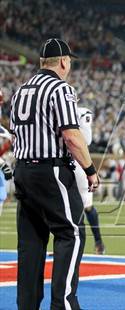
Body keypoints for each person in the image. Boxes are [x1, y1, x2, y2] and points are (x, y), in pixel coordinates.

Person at [10, 38, 99, 310]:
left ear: (40, 62)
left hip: (23, 170)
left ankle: (27, 306)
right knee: (71, 234)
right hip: (51, 170)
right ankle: (64, 305)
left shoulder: (20, 91)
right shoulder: (60, 89)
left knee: (31, 244)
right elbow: (72, 137)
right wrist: (90, 170)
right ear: (63, 61)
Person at [74, 107, 105, 254]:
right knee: (86, 206)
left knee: (66, 206)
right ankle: (98, 242)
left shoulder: (54, 110)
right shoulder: (81, 112)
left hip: (66, 161)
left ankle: (68, 245)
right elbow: (87, 139)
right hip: (79, 161)